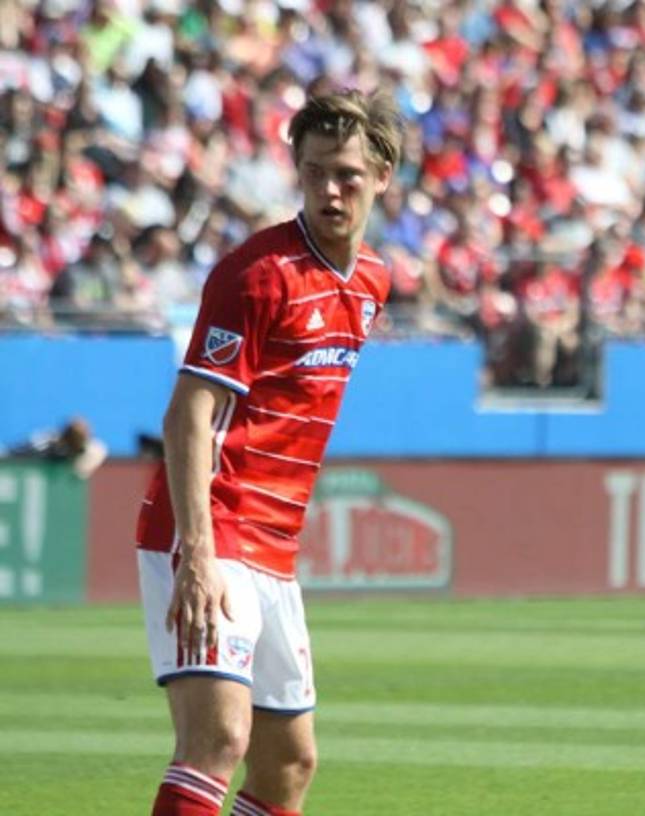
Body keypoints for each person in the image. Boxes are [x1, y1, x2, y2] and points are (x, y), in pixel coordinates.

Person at [134, 89, 401, 816]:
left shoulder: (372, 280)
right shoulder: (259, 274)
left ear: (383, 175)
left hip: (274, 548)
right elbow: (190, 413)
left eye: (346, 173)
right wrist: (199, 553)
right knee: (217, 738)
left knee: (288, 765)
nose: (329, 189)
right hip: (209, 529)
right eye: (314, 172)